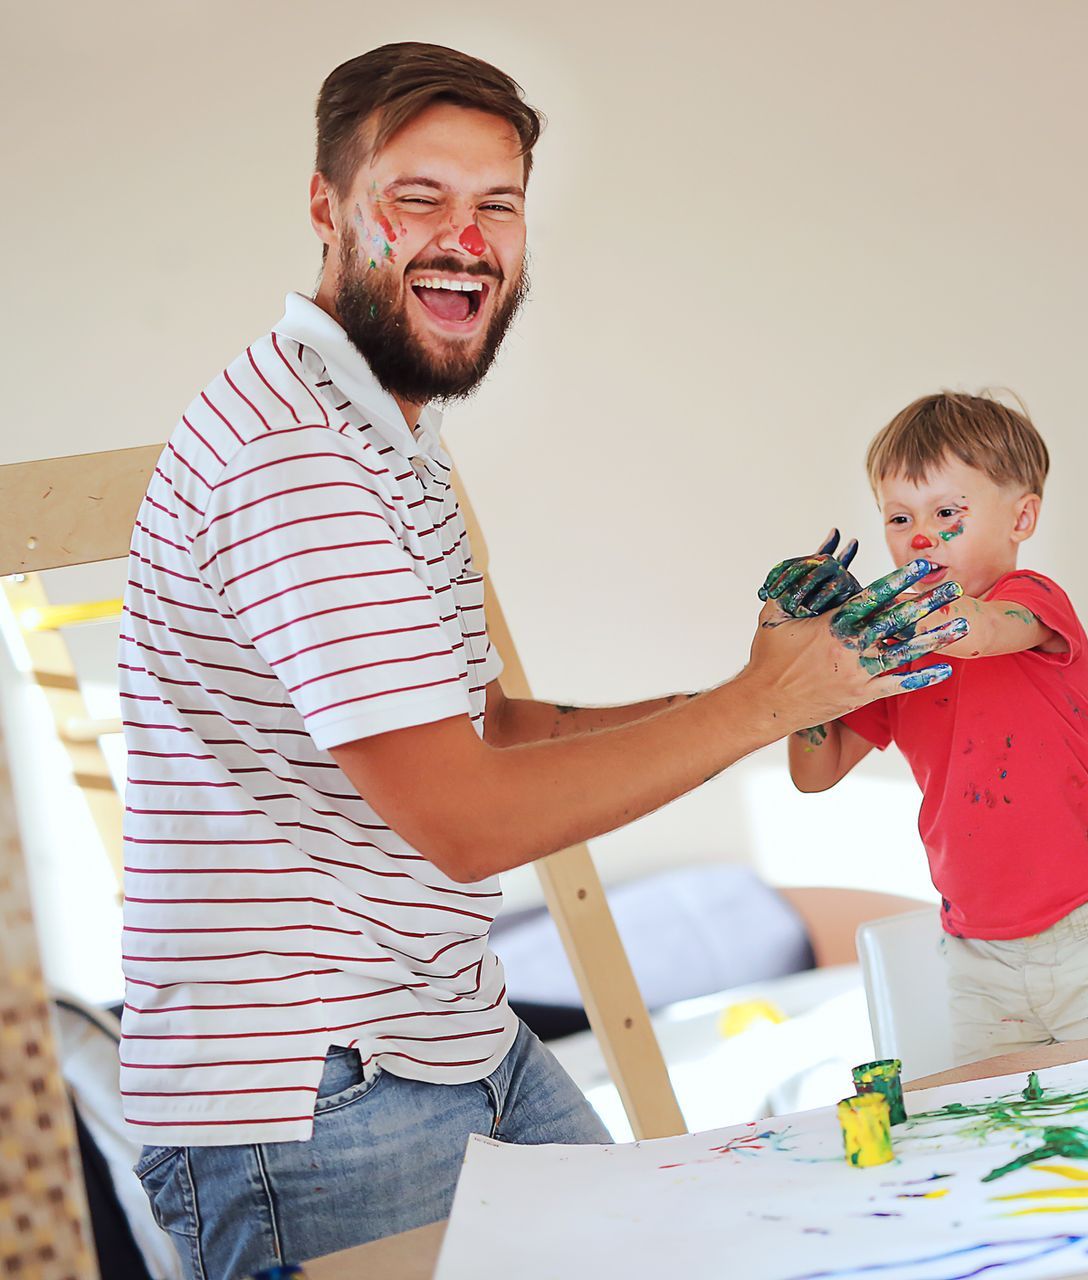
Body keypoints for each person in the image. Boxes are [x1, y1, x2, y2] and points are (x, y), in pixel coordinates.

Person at [120, 43, 959, 1275]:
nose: (466, 238)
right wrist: (754, 702)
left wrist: (765, 694)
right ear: (327, 207)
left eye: (496, 205)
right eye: (419, 198)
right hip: (315, 1096)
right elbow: (465, 819)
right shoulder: (295, 459)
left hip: (444, 1029)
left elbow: (491, 729)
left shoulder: (388, 436)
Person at [777, 392, 1088, 1064]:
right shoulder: (897, 657)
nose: (920, 537)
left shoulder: (1033, 604)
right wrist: (808, 648)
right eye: (900, 517)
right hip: (977, 950)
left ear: (1022, 517)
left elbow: (978, 632)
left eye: (947, 513)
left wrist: (875, 623)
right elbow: (813, 774)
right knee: (1002, 1132)